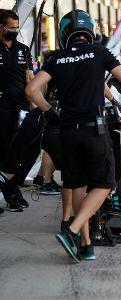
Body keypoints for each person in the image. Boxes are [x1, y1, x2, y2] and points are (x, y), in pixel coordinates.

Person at [25, 10, 121, 262]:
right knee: (105, 183)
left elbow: (32, 89)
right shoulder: (99, 52)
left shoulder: (55, 57)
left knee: (77, 185)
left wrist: (50, 112)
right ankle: (74, 230)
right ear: (91, 30)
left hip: (67, 131)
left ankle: (85, 245)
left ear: (65, 33)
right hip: (93, 129)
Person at [0, 9, 34, 213]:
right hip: (1, 109)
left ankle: (11, 189)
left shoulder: (22, 49)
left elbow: (30, 78)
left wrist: (35, 105)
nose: (15, 30)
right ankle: (10, 193)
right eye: (11, 28)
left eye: (16, 27)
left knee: (20, 151)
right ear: (1, 27)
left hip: (21, 108)